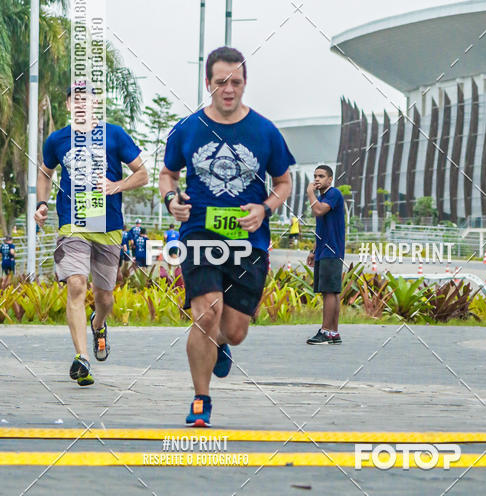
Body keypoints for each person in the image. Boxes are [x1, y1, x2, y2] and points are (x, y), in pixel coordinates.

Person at [159, 46, 295, 427]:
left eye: (236, 82)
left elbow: (284, 182)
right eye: (221, 82)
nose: (229, 89)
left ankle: (221, 345)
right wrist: (172, 199)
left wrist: (265, 208)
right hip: (199, 234)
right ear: (208, 83)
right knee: (206, 314)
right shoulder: (187, 130)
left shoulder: (265, 131)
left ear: (245, 83)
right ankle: (201, 399)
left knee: (233, 331)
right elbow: (167, 174)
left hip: (247, 241)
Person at [35, 85, 148, 387]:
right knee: (75, 284)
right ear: (69, 106)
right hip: (72, 223)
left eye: (89, 100)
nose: (83, 105)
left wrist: (116, 186)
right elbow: (45, 172)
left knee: (105, 297)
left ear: (97, 105)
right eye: (77, 100)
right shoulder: (57, 140)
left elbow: (142, 174)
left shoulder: (115, 135)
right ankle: (82, 358)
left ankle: (99, 324)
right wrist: (42, 204)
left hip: (108, 225)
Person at [306, 164, 346, 345]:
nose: (317, 179)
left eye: (321, 176)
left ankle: (325, 331)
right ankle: (333, 333)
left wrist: (309, 193)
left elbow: (319, 210)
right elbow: (321, 228)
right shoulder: (323, 197)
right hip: (323, 250)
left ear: (330, 179)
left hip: (332, 250)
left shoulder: (333, 194)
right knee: (331, 292)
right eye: (315, 176)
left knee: (329, 292)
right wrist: (314, 250)